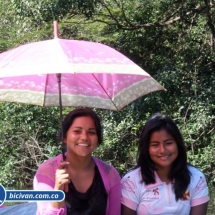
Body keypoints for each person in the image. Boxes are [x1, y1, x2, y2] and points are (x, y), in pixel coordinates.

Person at [34, 108, 121, 215]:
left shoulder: (110, 174)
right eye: (77, 131)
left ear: (98, 138)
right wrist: (58, 190)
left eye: (91, 132)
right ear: (64, 137)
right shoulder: (46, 173)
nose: (84, 137)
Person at [121, 113, 210, 215]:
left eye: (168, 143)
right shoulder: (131, 181)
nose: (162, 150)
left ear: (178, 144)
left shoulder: (196, 178)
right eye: (155, 145)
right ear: (146, 147)